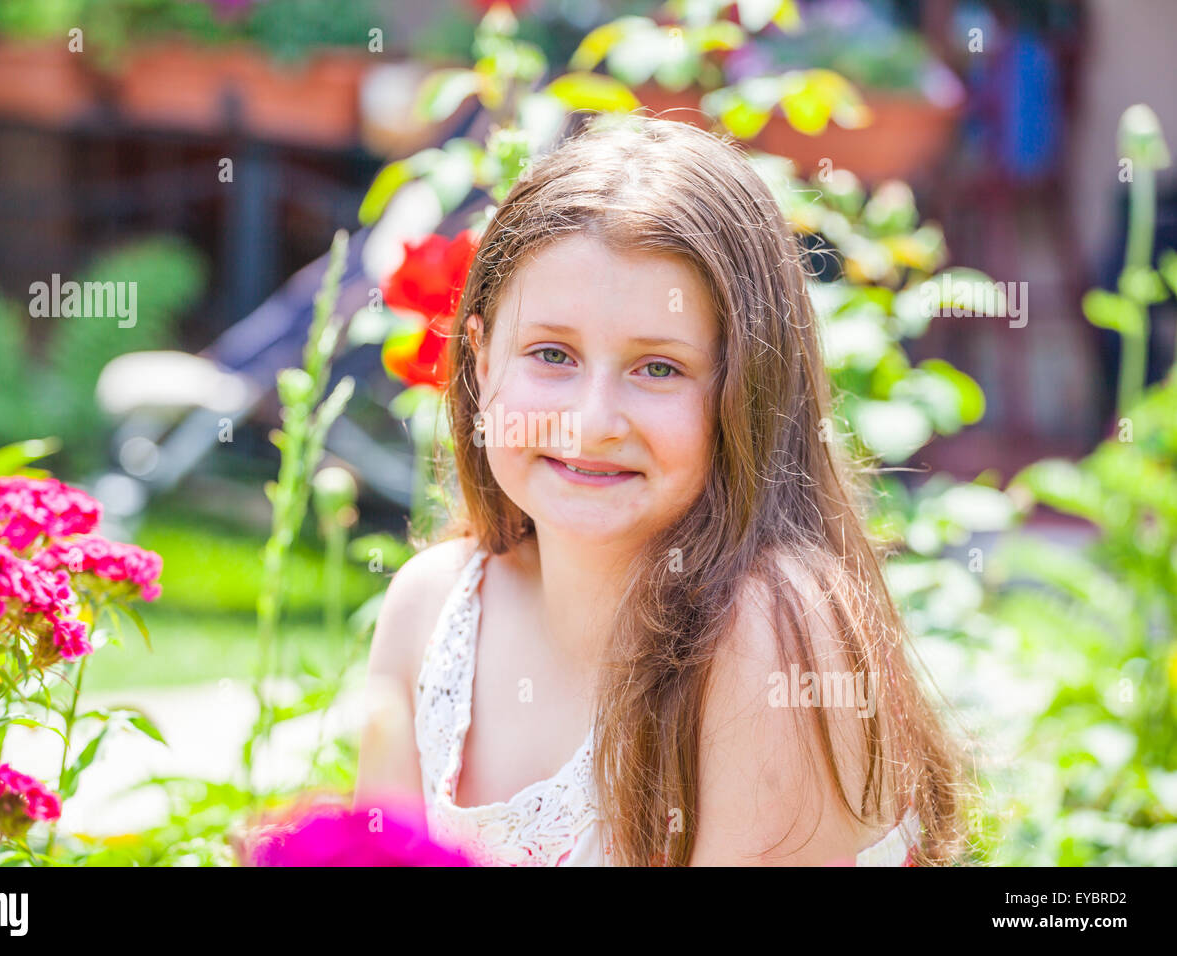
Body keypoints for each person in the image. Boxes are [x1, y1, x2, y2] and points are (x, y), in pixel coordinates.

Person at [354, 113, 972, 866]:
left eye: (658, 368)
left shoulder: (769, 637)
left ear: (746, 393)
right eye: (552, 354)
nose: (592, 422)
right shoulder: (431, 608)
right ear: (480, 362)